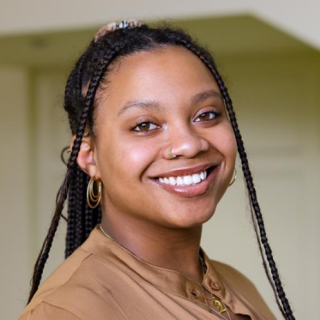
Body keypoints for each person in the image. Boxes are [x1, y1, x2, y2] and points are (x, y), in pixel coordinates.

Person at [17, 20, 295, 320]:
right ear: (88, 157)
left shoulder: (238, 284)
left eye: (206, 114)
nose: (189, 145)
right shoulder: (69, 311)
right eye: (144, 125)